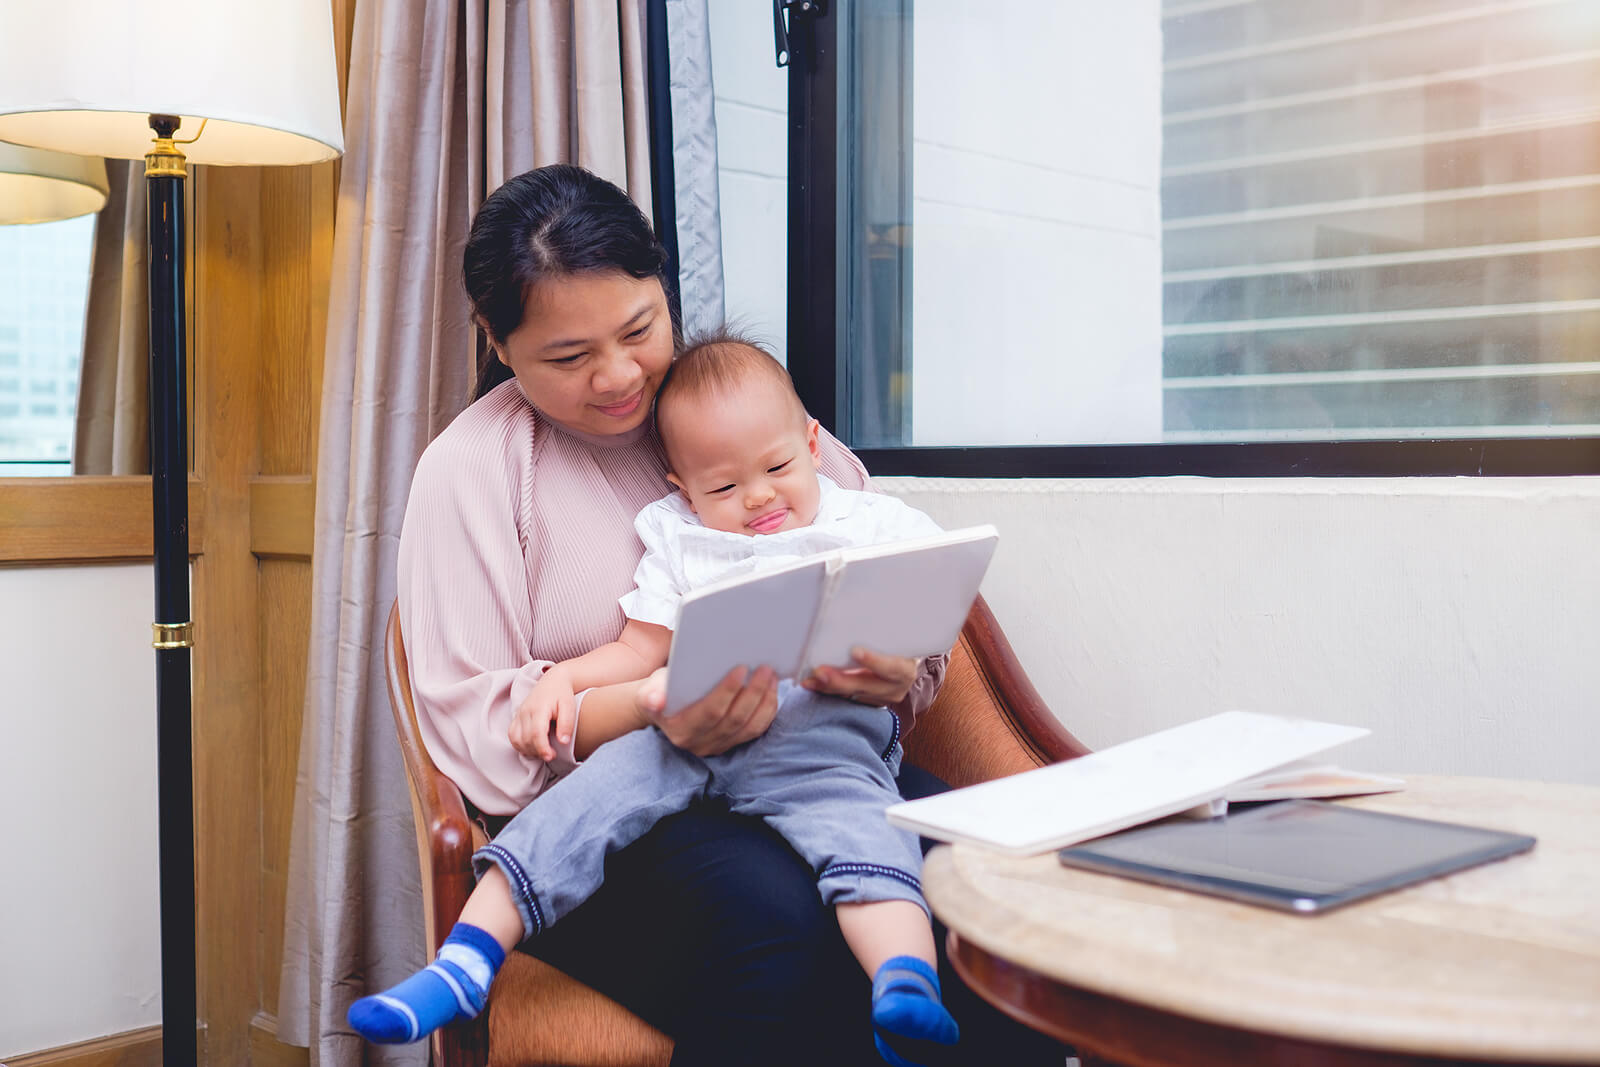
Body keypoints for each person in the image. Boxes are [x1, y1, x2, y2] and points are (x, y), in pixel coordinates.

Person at [378, 162, 1067, 1067]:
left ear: (665, 288)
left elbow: (877, 566)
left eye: (639, 328)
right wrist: (659, 705)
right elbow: (479, 744)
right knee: (779, 924)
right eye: (569, 357)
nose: (620, 376)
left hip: (813, 760)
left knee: (995, 886)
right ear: (498, 343)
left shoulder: (730, 412)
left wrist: (900, 673)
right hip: (613, 814)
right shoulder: (471, 470)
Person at [352, 333, 961, 1066]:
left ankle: (905, 986)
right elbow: (637, 650)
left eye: (775, 468)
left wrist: (894, 659)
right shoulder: (679, 536)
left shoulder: (865, 519)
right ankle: (462, 963)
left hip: (821, 742)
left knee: (874, 841)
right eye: (726, 488)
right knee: (581, 807)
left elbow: (931, 596)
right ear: (680, 484)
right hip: (682, 736)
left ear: (811, 443)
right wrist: (563, 679)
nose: (759, 496)